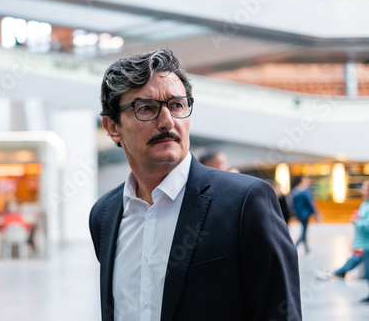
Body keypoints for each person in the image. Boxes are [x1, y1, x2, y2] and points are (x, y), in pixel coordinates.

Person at [89, 48, 301, 321]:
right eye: (146, 109)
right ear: (112, 127)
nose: (167, 122)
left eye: (177, 105)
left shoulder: (245, 203)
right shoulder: (104, 216)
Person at [290, 176, 320, 253]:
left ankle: (306, 248)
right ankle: (294, 247)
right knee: (304, 231)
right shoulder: (305, 191)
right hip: (305, 214)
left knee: (304, 230)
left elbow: (292, 204)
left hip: (299, 214)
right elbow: (310, 203)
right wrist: (316, 213)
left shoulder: (294, 191)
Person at [353, 180, 369, 303]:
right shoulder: (364, 205)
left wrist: (357, 221)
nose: (362, 191)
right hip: (364, 244)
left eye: (364, 188)